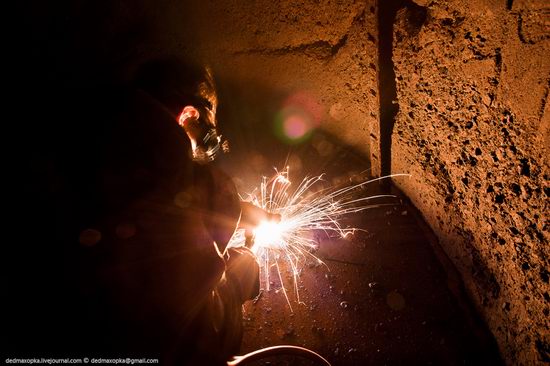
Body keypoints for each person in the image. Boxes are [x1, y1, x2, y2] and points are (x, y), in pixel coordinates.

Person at [10, 57, 276, 365]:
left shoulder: (80, 129)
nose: (204, 151)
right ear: (188, 114)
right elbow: (196, 334)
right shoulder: (176, 155)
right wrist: (239, 278)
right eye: (208, 133)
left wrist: (235, 211)